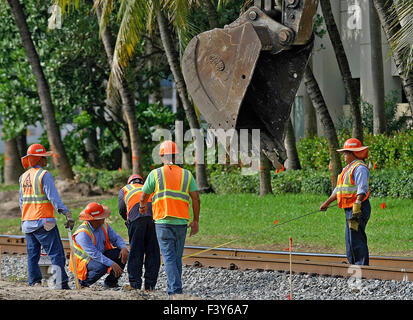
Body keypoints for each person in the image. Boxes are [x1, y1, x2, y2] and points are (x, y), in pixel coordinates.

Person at [139, 140, 200, 295]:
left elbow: (144, 194)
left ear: (162, 156)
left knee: (169, 258)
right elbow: (196, 198)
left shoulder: (156, 174)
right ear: (176, 156)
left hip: (163, 222)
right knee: (176, 258)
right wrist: (196, 221)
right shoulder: (187, 175)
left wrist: (142, 206)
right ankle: (175, 288)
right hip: (181, 223)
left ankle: (175, 292)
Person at [19, 143, 74, 289]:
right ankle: (60, 283)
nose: (46, 160)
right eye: (44, 157)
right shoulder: (44, 175)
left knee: (32, 255)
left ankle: (34, 282)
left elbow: (22, 202)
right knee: (56, 253)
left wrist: (25, 218)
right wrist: (65, 212)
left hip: (28, 223)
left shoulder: (23, 177)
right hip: (44, 222)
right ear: (38, 159)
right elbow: (53, 197)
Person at [320, 138, 371, 265]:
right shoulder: (347, 169)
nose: (344, 155)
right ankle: (354, 263)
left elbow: (362, 187)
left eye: (346, 152)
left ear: (354, 153)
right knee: (350, 238)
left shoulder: (359, 168)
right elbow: (339, 189)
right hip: (350, 209)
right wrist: (327, 202)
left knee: (356, 237)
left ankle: (361, 266)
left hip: (358, 208)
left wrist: (358, 203)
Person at [69, 202, 129, 288]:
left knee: (122, 253)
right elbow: (95, 254)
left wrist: (123, 247)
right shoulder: (83, 234)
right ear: (94, 220)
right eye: (102, 217)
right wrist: (112, 264)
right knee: (101, 267)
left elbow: (115, 238)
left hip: (98, 255)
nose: (104, 218)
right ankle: (83, 284)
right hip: (84, 262)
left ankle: (111, 283)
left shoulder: (104, 225)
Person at [118, 174, 160, 291]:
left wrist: (127, 220)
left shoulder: (125, 189)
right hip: (154, 218)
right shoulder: (149, 188)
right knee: (153, 252)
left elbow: (122, 208)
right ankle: (150, 286)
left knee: (136, 251)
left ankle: (135, 284)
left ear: (129, 182)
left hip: (136, 217)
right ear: (142, 181)